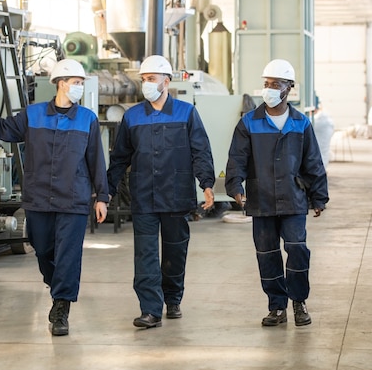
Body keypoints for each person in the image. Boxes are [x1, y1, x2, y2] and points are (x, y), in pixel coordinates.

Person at [0, 58, 109, 336]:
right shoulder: (33, 114)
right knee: (43, 250)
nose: (79, 88)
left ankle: (61, 307)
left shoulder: (88, 119)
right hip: (38, 198)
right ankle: (57, 287)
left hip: (73, 198)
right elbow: (5, 130)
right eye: (76, 83)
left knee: (68, 255)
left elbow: (96, 159)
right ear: (61, 84)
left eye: (81, 84)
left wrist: (102, 197)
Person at [107, 55, 215, 329]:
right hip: (143, 196)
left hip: (176, 195)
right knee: (145, 254)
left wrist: (207, 184)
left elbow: (201, 152)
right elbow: (120, 158)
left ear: (166, 81)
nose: (147, 84)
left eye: (151, 79)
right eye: (144, 80)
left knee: (174, 252)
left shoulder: (186, 112)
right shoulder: (131, 117)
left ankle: (173, 298)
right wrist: (105, 191)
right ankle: (150, 310)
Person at [225, 58, 329, 327]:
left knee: (297, 249)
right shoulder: (249, 123)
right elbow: (237, 158)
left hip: (294, 199)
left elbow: (313, 162)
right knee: (267, 253)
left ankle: (299, 301)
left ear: (289, 88)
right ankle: (277, 307)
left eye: (275, 84)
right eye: (266, 84)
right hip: (261, 200)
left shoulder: (300, 123)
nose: (268, 89)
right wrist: (235, 187)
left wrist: (318, 197)